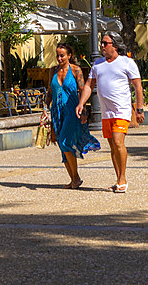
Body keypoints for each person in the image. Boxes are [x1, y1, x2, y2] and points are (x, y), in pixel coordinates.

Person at [76, 33, 144, 193]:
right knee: (113, 146)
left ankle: (123, 179)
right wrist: (81, 103)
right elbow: (88, 85)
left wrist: (139, 109)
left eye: (105, 43)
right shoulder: (97, 64)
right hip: (107, 113)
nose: (102, 46)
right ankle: (118, 178)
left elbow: (138, 87)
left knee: (118, 142)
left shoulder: (127, 63)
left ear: (116, 45)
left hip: (122, 110)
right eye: (102, 43)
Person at [46, 43, 100, 189]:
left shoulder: (76, 70)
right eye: (57, 55)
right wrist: (45, 109)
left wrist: (84, 111)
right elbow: (50, 92)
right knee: (62, 145)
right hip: (56, 111)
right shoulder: (53, 71)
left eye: (62, 55)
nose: (59, 58)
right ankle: (73, 179)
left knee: (64, 141)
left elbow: (83, 90)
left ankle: (76, 177)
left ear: (69, 55)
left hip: (72, 110)